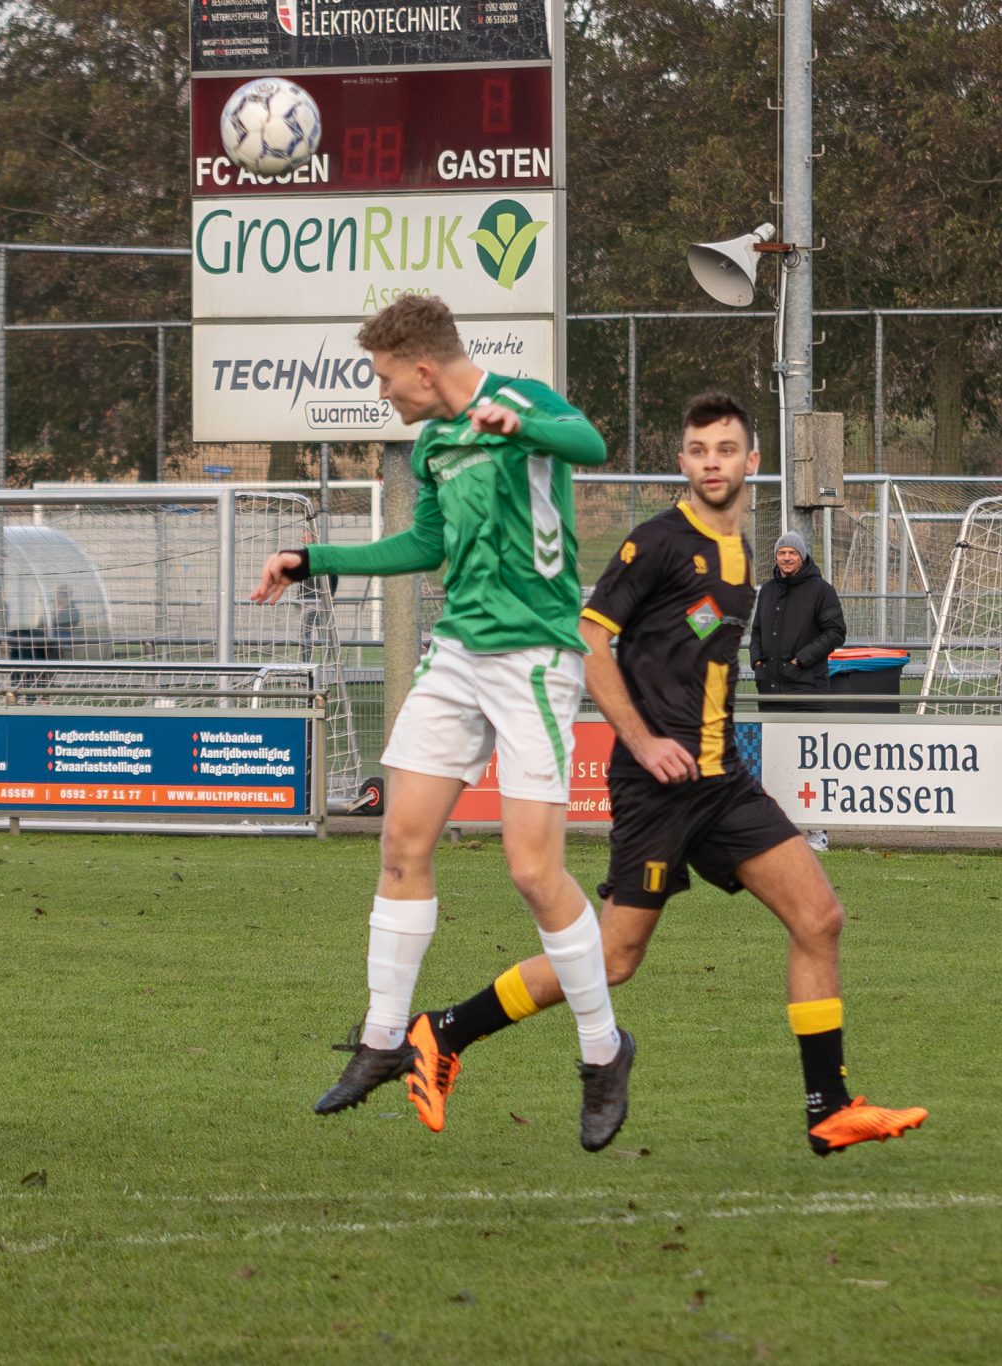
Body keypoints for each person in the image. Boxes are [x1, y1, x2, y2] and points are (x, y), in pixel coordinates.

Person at [404, 392, 926, 1156]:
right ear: (682, 461)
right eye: (698, 450)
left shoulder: (744, 557)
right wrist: (644, 741)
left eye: (726, 449)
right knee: (613, 959)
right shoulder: (655, 542)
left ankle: (830, 1107)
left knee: (820, 919)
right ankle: (444, 1031)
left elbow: (694, 642)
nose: (712, 462)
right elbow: (588, 637)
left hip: (721, 782)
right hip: (656, 787)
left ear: (752, 461)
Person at [251, 294, 635, 1152]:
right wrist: (312, 559)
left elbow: (590, 445)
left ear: (424, 370)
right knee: (401, 840)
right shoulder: (431, 445)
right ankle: (385, 1038)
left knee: (533, 872)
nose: (383, 392)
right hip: (458, 653)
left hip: (533, 657)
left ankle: (603, 1050)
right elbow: (424, 547)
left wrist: (519, 425)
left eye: (386, 378)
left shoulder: (522, 400)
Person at [751, 528, 846, 852]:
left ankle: (818, 830)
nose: (787, 558)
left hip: (807, 691)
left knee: (809, 762)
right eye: (782, 553)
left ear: (802, 556)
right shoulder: (767, 591)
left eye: (792, 552)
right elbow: (757, 632)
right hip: (770, 691)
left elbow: (836, 632)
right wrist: (758, 663)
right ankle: (774, 829)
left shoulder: (821, 590)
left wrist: (800, 661)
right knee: (773, 761)